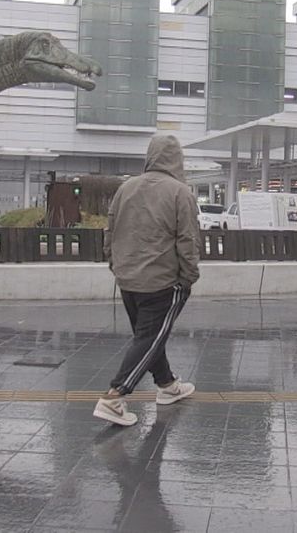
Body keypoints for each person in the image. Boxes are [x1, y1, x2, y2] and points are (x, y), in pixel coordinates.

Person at [95, 134, 201, 427]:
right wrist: (189, 277)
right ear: (177, 159)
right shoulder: (180, 193)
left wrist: (115, 265)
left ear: (150, 157)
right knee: (150, 339)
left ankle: (167, 386)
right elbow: (187, 240)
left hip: (127, 279)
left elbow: (110, 231)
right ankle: (114, 397)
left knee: (150, 338)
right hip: (163, 282)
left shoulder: (125, 187)